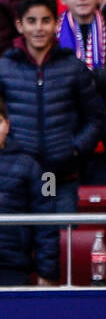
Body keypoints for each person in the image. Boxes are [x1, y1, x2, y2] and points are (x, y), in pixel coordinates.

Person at [0, 0, 102, 270]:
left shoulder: (73, 67)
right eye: (31, 21)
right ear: (19, 25)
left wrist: (74, 149)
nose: (38, 28)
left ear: (56, 24)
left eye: (45, 20)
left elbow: (94, 119)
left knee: (60, 245)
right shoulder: (4, 67)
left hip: (58, 176)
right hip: (16, 177)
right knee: (16, 246)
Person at [0, 94, 56, 285]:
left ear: (7, 124)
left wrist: (47, 272)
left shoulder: (31, 166)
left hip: (13, 266)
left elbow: (47, 222)